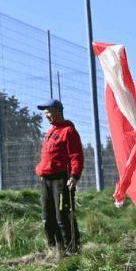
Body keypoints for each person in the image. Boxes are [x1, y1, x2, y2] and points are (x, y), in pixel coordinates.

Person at [34, 98, 84, 254]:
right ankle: (55, 249)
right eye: (45, 113)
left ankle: (71, 248)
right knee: (47, 217)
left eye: (48, 112)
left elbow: (76, 155)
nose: (46, 116)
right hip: (46, 180)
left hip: (62, 180)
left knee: (63, 215)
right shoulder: (50, 132)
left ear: (57, 111)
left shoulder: (68, 131)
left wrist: (74, 176)